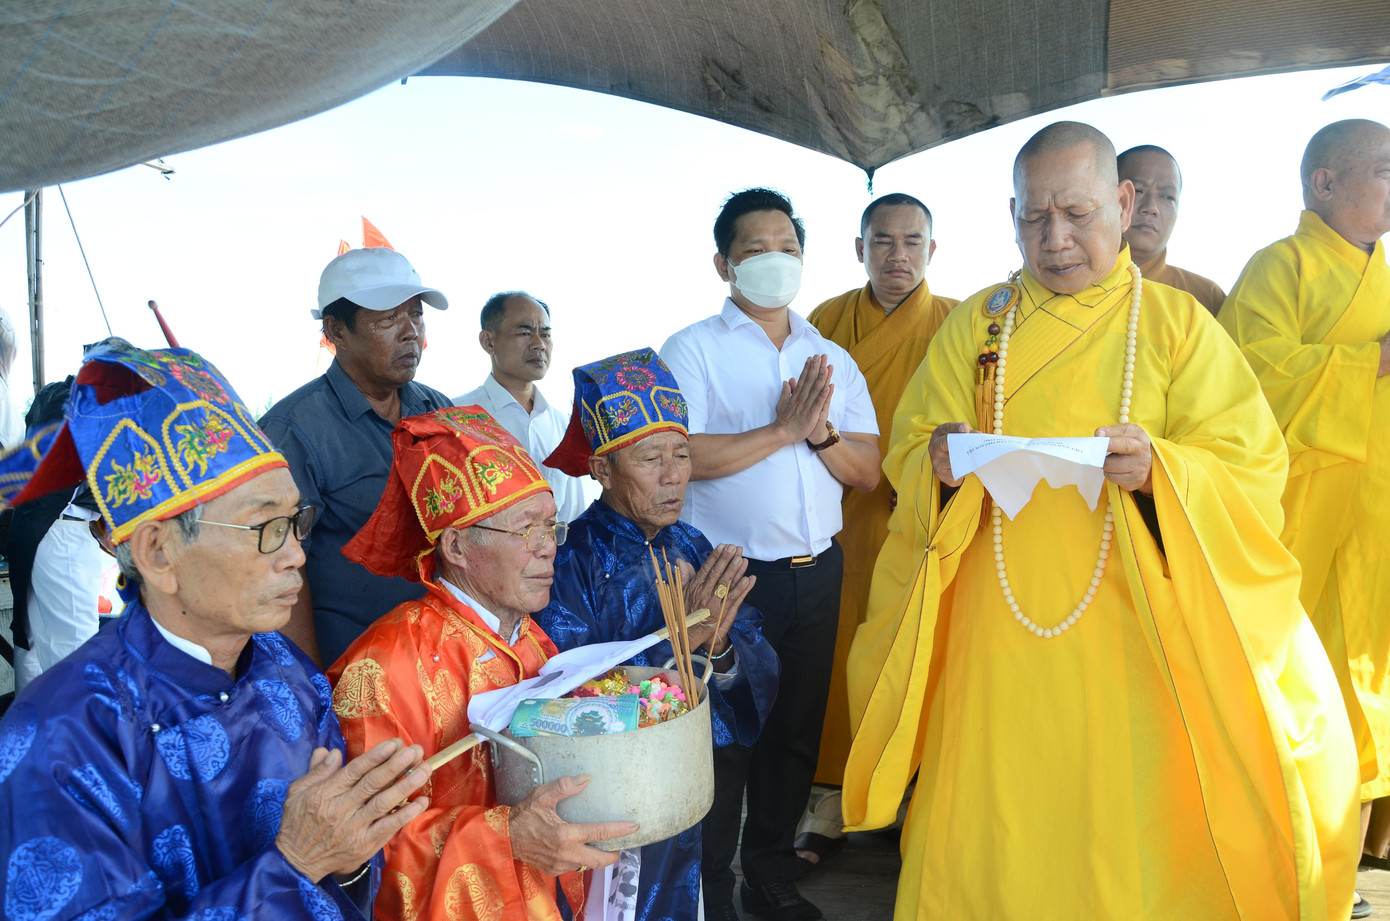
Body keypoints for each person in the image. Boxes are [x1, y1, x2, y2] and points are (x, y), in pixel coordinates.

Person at [842, 121, 1360, 920]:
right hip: (995, 642)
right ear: (1010, 214)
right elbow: (910, 453)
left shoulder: (1179, 326)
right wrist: (937, 464)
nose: (1054, 240)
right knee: (992, 823)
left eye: (1077, 214)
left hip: (1134, 637)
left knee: (1124, 837)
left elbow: (1254, 470)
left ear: (1123, 204)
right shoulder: (978, 325)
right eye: (1032, 218)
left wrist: (1165, 473)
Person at [0, 344, 432, 920]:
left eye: (297, 523)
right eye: (265, 528)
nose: (298, 556)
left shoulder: (290, 675)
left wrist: (350, 853)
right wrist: (296, 864)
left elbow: (349, 871)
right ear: (158, 552)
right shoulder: (61, 734)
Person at [661, 188, 880, 921]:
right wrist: (783, 430)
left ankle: (769, 872)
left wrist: (819, 435)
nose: (774, 260)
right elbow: (679, 455)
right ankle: (713, 888)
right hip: (728, 582)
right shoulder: (692, 349)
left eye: (787, 246)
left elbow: (867, 470)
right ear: (724, 263)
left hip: (817, 574)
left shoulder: (831, 358)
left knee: (794, 734)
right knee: (725, 743)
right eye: (756, 249)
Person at [329, 406, 635, 921]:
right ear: (457, 546)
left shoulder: (534, 644)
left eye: (551, 527)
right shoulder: (383, 668)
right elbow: (356, 850)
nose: (547, 550)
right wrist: (505, 837)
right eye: (525, 531)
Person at [537, 347, 781, 921]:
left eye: (681, 454)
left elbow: (752, 658)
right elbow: (564, 692)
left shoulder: (694, 546)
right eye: (650, 459)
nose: (673, 475)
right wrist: (680, 650)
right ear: (601, 469)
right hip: (617, 802)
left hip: (699, 782)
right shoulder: (570, 566)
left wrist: (718, 648)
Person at [1219, 117, 1390, 920]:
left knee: (1369, 706)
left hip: (1376, 525)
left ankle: (1337, 884)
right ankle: (1262, 876)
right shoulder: (1276, 267)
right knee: (1286, 702)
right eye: (1384, 169)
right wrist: (1375, 361)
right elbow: (1252, 383)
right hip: (1297, 525)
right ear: (1325, 184)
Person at [798, 193, 958, 868]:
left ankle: (915, 789)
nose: (898, 256)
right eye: (883, 242)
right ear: (860, 248)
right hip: (841, 512)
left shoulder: (959, 322)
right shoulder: (824, 321)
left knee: (916, 646)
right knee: (837, 652)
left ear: (931, 250)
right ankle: (830, 796)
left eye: (912, 242)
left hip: (923, 512)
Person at [260, 247, 454, 667]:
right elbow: (278, 566)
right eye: (388, 318)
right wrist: (312, 690)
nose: (410, 332)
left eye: (416, 315)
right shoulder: (292, 431)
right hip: (352, 669)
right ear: (336, 330)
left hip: (443, 658)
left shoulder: (439, 410)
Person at [456, 291, 591, 523]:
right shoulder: (456, 416)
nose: (539, 344)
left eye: (545, 334)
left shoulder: (564, 425)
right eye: (525, 332)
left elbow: (574, 516)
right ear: (488, 342)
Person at [1117, 145, 1226, 315]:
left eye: (1168, 197)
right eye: (1138, 191)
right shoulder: (1069, 281)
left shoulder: (1205, 298)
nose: (1151, 207)